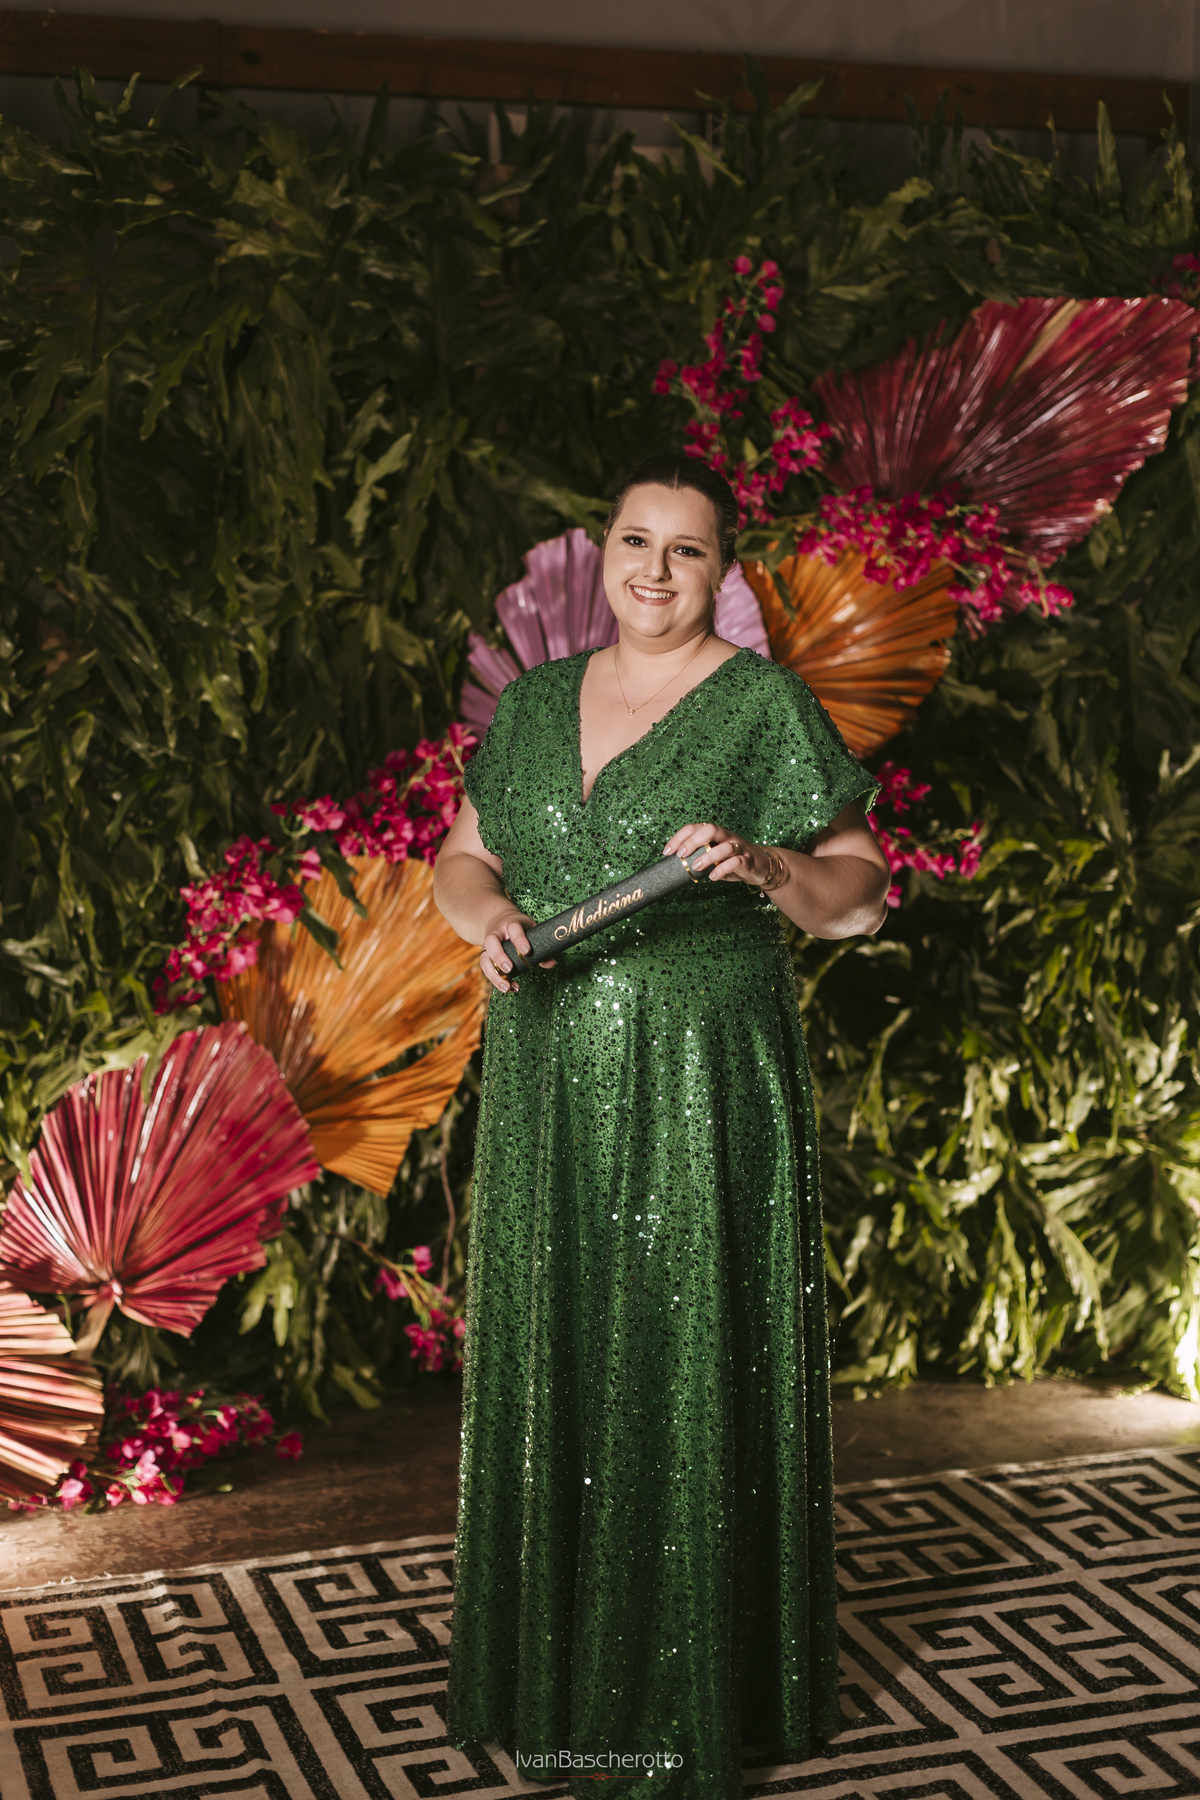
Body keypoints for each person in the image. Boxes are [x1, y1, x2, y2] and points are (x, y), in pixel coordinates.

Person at [433, 453, 891, 1797]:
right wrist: (488, 921)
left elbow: (862, 891)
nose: (656, 569)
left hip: (703, 1076)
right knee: (561, 1346)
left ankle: (690, 1690)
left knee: (683, 1354)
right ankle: (552, 1685)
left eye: (687, 550)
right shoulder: (533, 703)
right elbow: (462, 858)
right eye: (638, 541)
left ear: (721, 573)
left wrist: (771, 863)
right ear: (605, 552)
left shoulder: (763, 706)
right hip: (548, 1074)